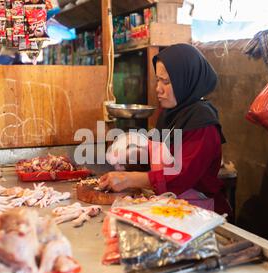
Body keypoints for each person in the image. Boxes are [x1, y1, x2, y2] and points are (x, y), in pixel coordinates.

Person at [99, 43, 232, 216]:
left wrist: (129, 179)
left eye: (167, 82)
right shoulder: (170, 113)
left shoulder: (202, 121)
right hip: (170, 205)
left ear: (186, 80)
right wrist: (134, 152)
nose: (158, 89)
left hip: (199, 214)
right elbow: (160, 156)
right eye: (158, 80)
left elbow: (181, 176)